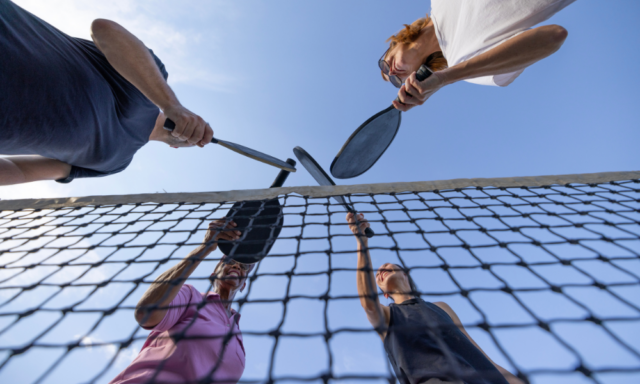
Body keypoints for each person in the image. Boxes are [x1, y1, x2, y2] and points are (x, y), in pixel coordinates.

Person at [0, 0, 212, 186]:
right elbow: (103, 29)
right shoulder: (151, 78)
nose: (198, 136)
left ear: (177, 148)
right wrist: (171, 105)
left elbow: (21, 170)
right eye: (202, 127)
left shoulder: (115, 165)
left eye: (199, 140)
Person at [346, 212, 525, 384]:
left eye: (387, 266)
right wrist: (362, 241)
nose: (380, 270)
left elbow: (475, 352)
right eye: (377, 275)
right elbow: (368, 303)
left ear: (405, 274)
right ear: (385, 294)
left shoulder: (441, 307)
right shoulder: (386, 316)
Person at [109, 219, 250, 384]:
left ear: (244, 285)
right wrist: (205, 247)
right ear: (213, 274)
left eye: (243, 266)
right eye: (229, 261)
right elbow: (146, 313)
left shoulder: (238, 340)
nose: (236, 266)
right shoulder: (191, 296)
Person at [380, 0, 576, 112]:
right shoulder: (466, 66)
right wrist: (445, 78)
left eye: (384, 66)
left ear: (394, 44)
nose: (392, 73)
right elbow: (553, 36)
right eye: (396, 80)